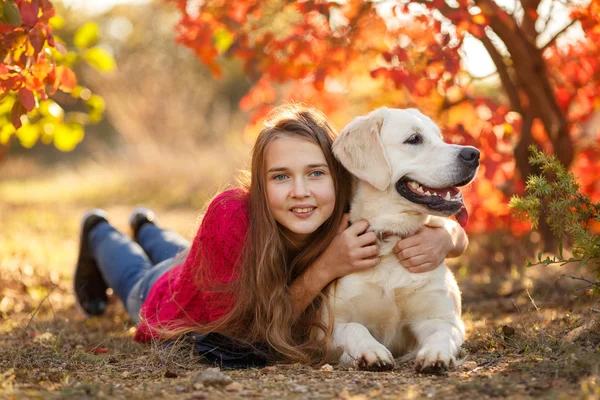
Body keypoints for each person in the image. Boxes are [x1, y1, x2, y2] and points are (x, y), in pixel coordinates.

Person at [73, 104, 468, 365]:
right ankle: (98, 230)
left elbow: (419, 204)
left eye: (316, 172)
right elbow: (245, 331)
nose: (301, 191)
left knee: (175, 249)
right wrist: (325, 267)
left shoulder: (345, 200)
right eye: (281, 177)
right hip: (174, 295)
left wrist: (449, 234)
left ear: (339, 176)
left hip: (202, 263)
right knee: (137, 276)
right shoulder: (231, 214)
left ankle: (145, 223)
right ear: (260, 185)